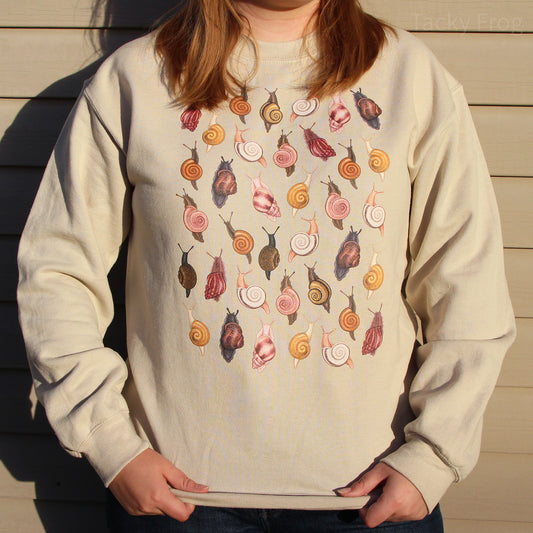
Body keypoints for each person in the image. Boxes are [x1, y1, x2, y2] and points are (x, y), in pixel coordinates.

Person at [17, 0, 516, 531]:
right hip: (178, 502)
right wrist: (109, 441)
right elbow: (57, 269)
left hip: (370, 503)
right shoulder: (137, 80)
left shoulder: (410, 77)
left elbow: (467, 280)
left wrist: (433, 456)